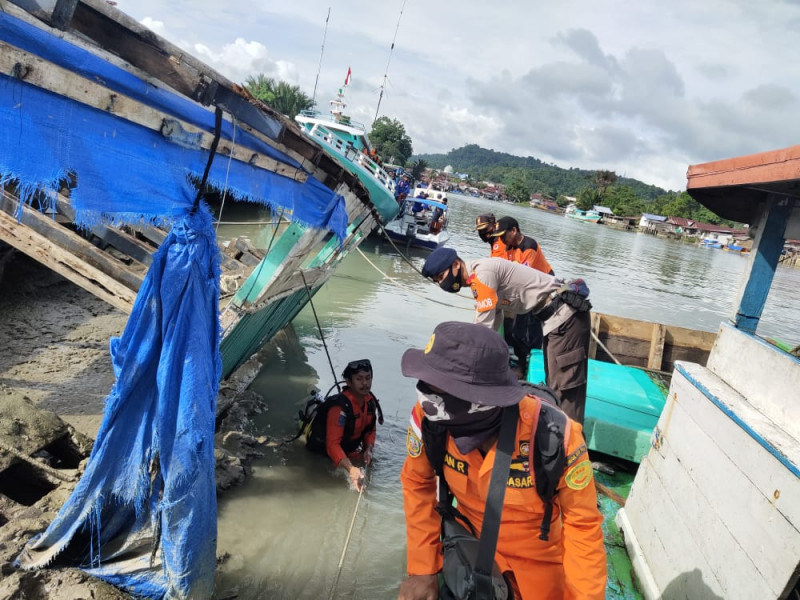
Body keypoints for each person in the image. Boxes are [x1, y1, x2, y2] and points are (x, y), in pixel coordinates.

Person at [397, 321, 606, 600]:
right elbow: (417, 483)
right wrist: (423, 569)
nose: (425, 398)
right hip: (466, 557)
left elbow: (582, 527)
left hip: (538, 576)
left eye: (437, 390)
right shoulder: (431, 419)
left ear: (478, 401)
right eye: (425, 385)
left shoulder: (555, 437)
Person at [420, 247, 592, 425]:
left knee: (565, 389)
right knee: (554, 385)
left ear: (456, 264)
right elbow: (494, 322)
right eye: (437, 281)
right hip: (553, 320)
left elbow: (482, 329)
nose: (441, 284)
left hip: (565, 317)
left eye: (441, 277)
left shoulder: (483, 274)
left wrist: (462, 370)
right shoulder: (477, 278)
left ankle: (570, 444)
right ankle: (562, 436)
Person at [306, 359, 380, 491]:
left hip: (348, 449)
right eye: (359, 379)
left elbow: (370, 430)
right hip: (322, 454)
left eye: (368, 378)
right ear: (348, 382)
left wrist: (368, 448)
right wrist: (351, 469)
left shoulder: (370, 402)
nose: (365, 383)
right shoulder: (339, 408)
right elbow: (332, 445)